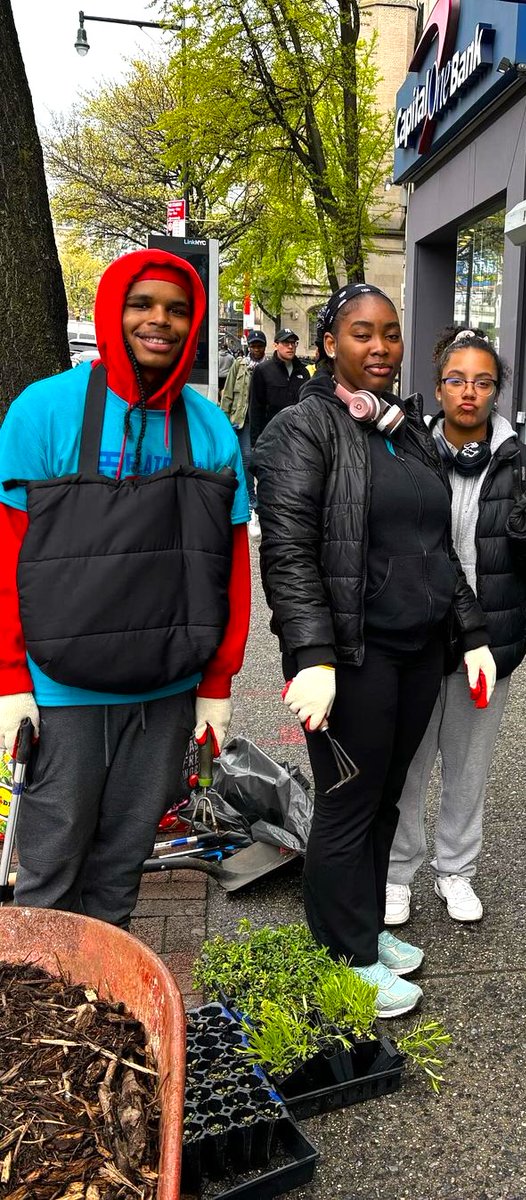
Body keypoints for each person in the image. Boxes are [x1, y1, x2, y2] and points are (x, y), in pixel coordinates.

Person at [254, 283, 496, 1016]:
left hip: (416, 651)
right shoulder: (307, 429)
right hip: (349, 658)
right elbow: (289, 554)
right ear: (330, 344)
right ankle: (341, 957)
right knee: (346, 803)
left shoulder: (407, 432)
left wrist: (473, 632)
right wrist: (312, 655)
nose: (381, 347)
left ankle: (359, 931)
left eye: (390, 334)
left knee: (388, 797)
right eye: (363, 334)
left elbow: (438, 549)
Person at [0, 248, 251, 927]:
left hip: (165, 690)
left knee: (121, 868)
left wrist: (218, 684)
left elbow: (228, 567)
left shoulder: (209, 430)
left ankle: (106, 1012)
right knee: (50, 870)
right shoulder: (42, 413)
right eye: (143, 304)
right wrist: (10, 679)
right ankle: (44, 1017)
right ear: (113, 311)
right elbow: (9, 554)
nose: (160, 322)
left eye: (176, 309)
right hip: (63, 690)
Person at [385, 328, 526, 926]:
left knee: (468, 766)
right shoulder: (406, 452)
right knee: (407, 763)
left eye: (483, 381)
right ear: (437, 387)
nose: (469, 392)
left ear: (498, 391)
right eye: (457, 380)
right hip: (416, 640)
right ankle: (396, 872)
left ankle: (456, 871)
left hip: (490, 643)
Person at [221, 330, 267, 536]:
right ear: (249, 346)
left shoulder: (268, 367)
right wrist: (224, 420)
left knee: (262, 461)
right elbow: (228, 393)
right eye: (254, 346)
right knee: (247, 459)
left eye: (260, 346)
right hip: (242, 420)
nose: (257, 349)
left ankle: (264, 498)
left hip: (263, 421)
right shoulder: (238, 365)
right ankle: (251, 498)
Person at [249, 328, 309, 447]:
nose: (290, 347)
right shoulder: (263, 370)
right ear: (276, 345)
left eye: (293, 343)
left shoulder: (303, 371)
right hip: (270, 437)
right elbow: (255, 408)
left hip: (297, 437)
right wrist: (255, 442)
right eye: (286, 343)